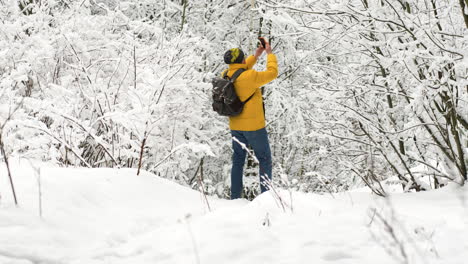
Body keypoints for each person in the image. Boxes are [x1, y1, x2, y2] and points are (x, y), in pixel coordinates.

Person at [222, 38, 278, 199]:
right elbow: (272, 73)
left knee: (238, 160)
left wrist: (256, 55)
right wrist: (269, 54)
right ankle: (266, 197)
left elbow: (241, 69)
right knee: (264, 159)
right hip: (254, 127)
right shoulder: (251, 76)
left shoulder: (225, 74)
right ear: (241, 60)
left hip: (235, 126)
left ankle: (235, 197)